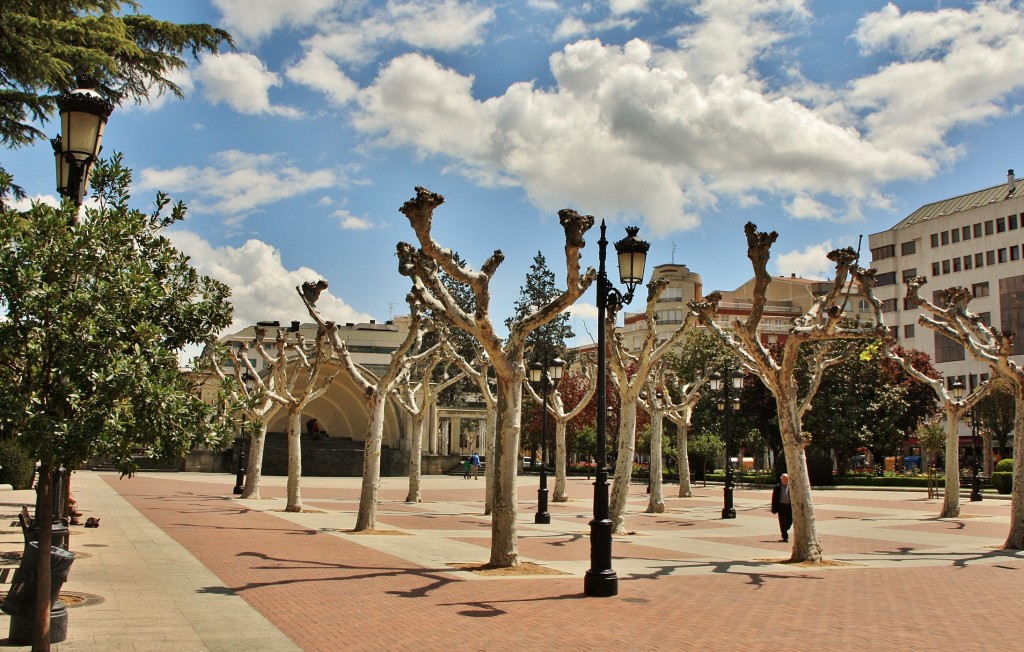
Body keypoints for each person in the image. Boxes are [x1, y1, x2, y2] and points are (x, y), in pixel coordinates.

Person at [770, 473, 793, 542]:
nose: (786, 480)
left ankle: (785, 529)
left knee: (790, 521)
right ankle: (785, 536)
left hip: (789, 506)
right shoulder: (777, 487)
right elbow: (774, 498)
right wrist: (774, 508)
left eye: (787, 479)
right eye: (784, 479)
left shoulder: (791, 487)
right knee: (782, 522)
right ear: (781, 479)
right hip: (781, 506)